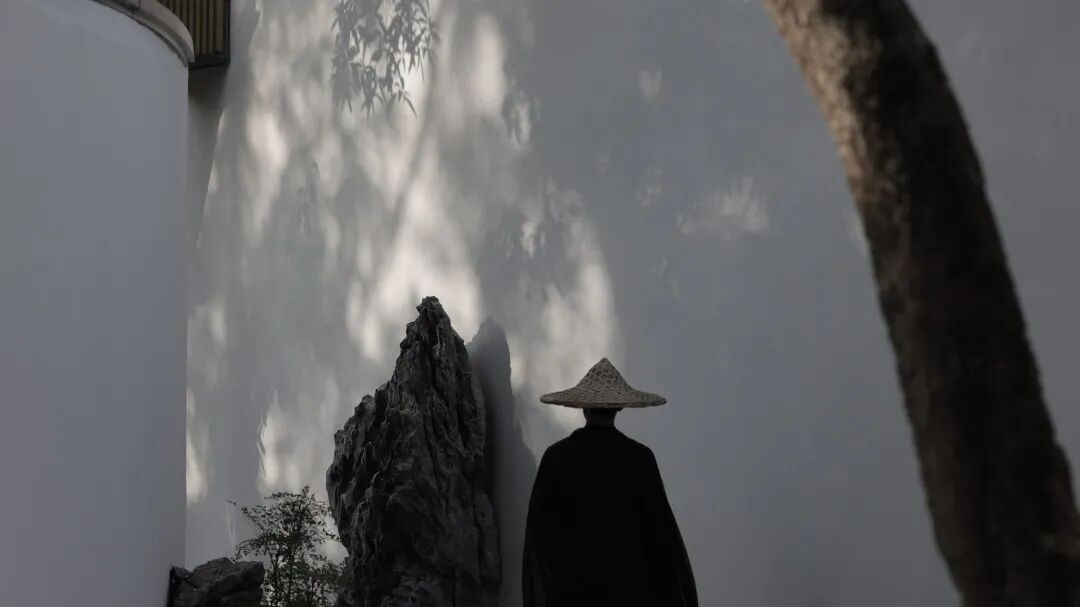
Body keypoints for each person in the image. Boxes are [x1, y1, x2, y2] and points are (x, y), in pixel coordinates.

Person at [522, 358, 697, 607]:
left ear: (583, 408)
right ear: (619, 408)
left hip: (572, 595)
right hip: (629, 593)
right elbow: (662, 538)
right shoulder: (640, 459)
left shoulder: (557, 457)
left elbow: (540, 535)